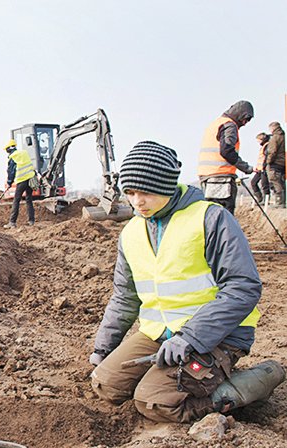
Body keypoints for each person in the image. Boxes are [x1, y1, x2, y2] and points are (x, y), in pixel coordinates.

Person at [89, 141, 285, 423]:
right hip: (160, 334)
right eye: (130, 192)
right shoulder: (131, 233)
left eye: (145, 192)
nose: (136, 201)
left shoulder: (211, 218)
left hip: (217, 335)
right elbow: (124, 297)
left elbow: (243, 287)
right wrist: (103, 349)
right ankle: (170, 377)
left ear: (166, 185)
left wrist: (191, 336)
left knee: (155, 402)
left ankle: (257, 380)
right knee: (106, 384)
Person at [197, 100, 254, 214]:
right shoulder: (229, 125)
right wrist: (247, 168)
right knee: (225, 219)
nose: (245, 123)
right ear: (240, 114)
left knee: (212, 217)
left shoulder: (216, 123)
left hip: (207, 177)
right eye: (246, 119)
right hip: (221, 178)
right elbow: (227, 151)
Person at [3, 139, 36, 228]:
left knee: (16, 200)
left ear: (8, 149)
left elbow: (11, 171)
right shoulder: (24, 153)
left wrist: (9, 182)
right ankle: (31, 221)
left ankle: (12, 222)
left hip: (22, 180)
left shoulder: (13, 157)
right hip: (30, 178)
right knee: (29, 199)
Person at [265, 121, 286, 208]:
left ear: (273, 128)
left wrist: (268, 161)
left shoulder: (275, 138)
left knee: (275, 181)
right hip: (282, 163)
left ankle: (279, 202)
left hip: (275, 163)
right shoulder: (283, 136)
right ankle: (282, 201)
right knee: (281, 181)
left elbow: (272, 151)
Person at [250, 132, 271, 204]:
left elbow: (266, 158)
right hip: (259, 169)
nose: (258, 142)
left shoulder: (267, 146)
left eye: (258, 140)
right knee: (253, 182)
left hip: (263, 169)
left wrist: (264, 167)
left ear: (262, 139)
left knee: (265, 185)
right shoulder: (263, 146)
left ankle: (266, 200)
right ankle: (260, 198)